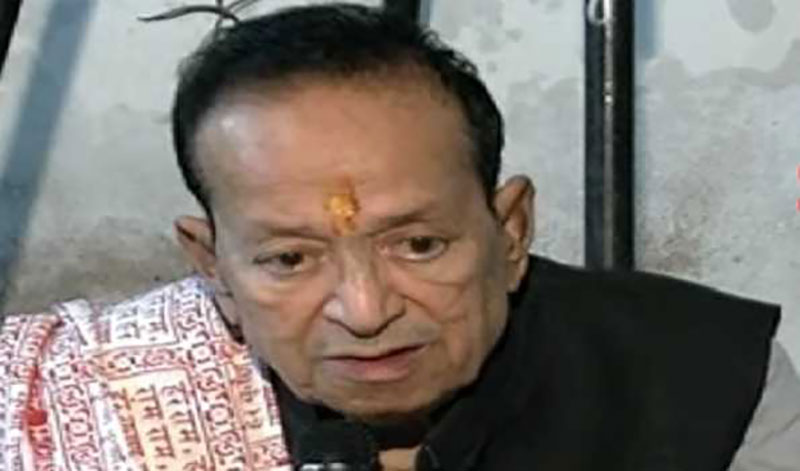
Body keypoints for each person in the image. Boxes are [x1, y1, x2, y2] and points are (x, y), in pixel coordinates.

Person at [1, 4, 798, 470]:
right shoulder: (86, 402)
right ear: (214, 269)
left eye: (418, 245)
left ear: (510, 231)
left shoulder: (705, 378)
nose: (366, 309)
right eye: (290, 259)